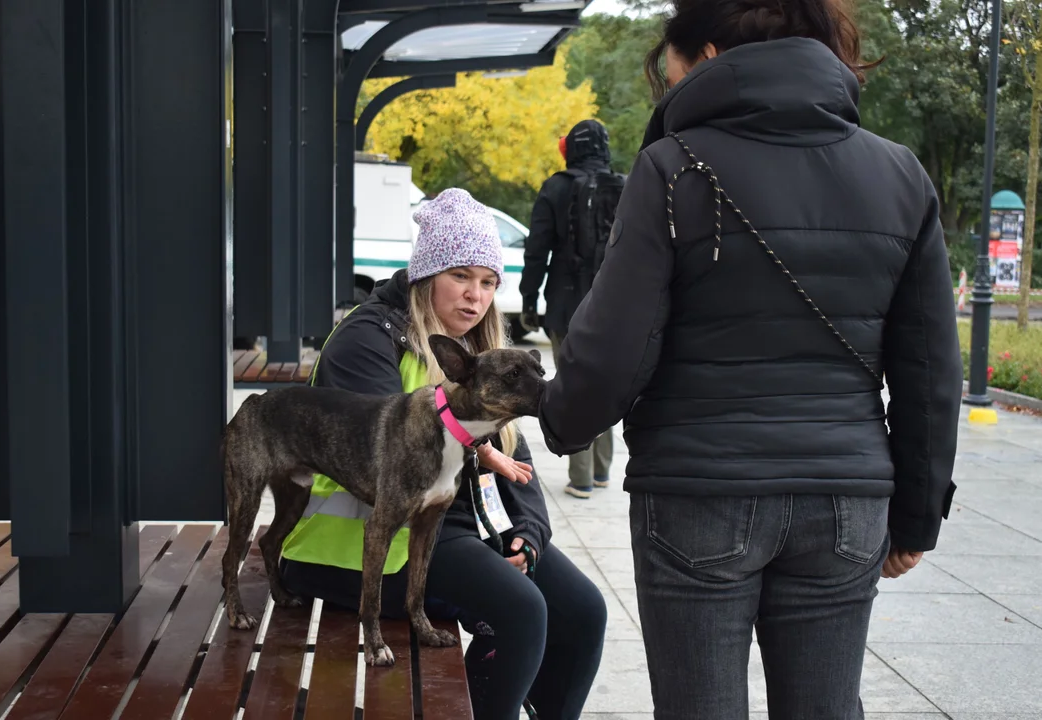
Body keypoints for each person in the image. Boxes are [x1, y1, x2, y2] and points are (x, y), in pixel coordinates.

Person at [537, 2, 962, 718]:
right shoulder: (898, 174)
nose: (664, 87)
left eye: (666, 69)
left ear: (705, 55)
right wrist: (915, 518)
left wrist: (559, 422)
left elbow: (612, 350)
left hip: (698, 492)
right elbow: (928, 371)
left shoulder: (672, 167)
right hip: (845, 501)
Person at [279, 188, 606, 720]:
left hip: (446, 527)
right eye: (460, 276)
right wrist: (479, 446)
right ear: (427, 274)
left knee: (583, 611)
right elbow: (388, 460)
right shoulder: (368, 339)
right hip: (368, 544)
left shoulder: (481, 352)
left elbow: (513, 453)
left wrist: (528, 532)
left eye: (487, 282)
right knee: (520, 611)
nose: (475, 297)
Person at [519, 119, 623, 499]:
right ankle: (601, 471)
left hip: (565, 306)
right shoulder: (625, 186)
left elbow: (537, 250)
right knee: (605, 385)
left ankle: (579, 475)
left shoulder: (556, 188)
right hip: (614, 309)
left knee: (574, 384)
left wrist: (529, 298)